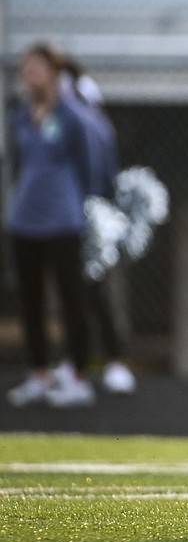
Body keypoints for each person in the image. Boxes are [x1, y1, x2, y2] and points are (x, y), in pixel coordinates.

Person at [4, 44, 98, 409]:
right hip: (25, 219)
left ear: (54, 71)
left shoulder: (72, 115)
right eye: (25, 70)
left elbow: (89, 161)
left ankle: (78, 375)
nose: (29, 77)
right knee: (30, 300)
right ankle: (39, 373)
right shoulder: (20, 116)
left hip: (63, 220)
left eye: (37, 69)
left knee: (71, 298)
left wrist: (85, 203)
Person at [59, 56, 138, 396]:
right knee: (70, 297)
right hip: (61, 221)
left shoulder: (91, 122)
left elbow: (101, 173)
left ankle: (114, 361)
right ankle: (75, 362)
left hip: (91, 223)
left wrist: (96, 213)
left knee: (96, 295)